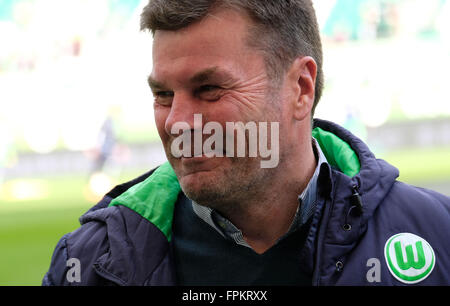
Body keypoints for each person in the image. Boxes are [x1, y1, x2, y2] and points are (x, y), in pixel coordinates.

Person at [43, 0, 450, 286]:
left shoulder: (436, 234)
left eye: (209, 88)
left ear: (300, 88)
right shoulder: (90, 263)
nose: (178, 122)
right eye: (163, 95)